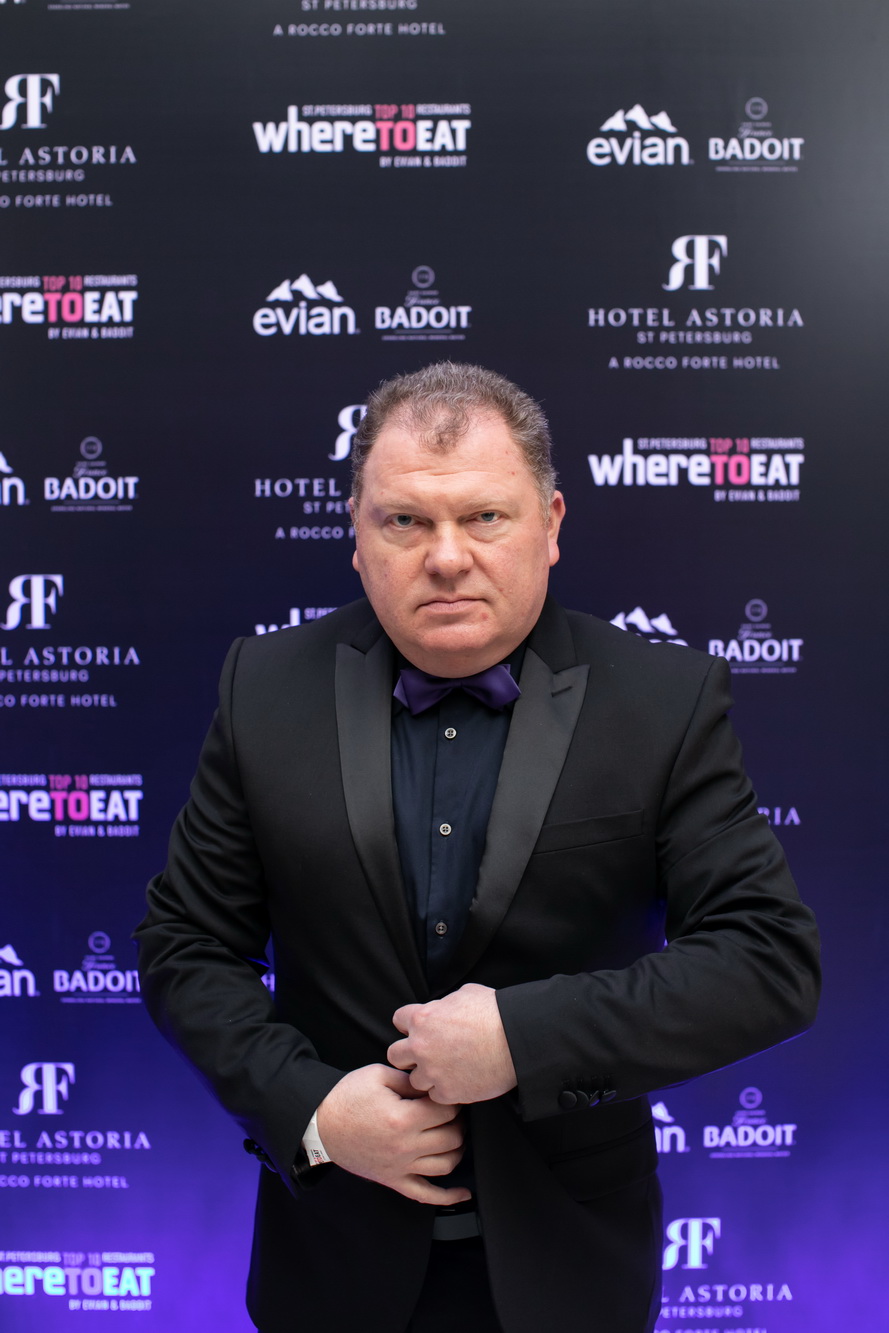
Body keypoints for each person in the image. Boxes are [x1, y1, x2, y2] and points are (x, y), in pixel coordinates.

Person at [135, 362, 820, 1333]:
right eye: (404, 521)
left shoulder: (664, 702)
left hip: (570, 1270)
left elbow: (766, 961)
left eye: (484, 517)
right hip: (328, 1265)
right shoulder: (263, 687)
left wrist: (522, 1039)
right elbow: (186, 945)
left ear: (550, 523)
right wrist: (315, 1113)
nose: (446, 556)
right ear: (356, 534)